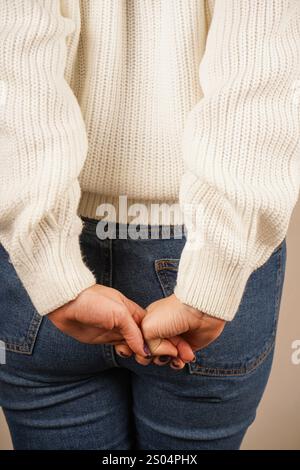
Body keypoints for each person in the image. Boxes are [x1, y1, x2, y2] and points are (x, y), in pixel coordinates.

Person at [0, 0, 299, 450]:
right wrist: (215, 274)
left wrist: (48, 264)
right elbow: (263, 72)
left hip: (36, 265)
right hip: (204, 245)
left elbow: (12, 63)